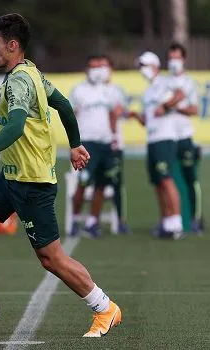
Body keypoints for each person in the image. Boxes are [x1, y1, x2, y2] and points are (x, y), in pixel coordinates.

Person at [0, 14, 122, 338]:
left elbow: (16, 125)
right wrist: (76, 144)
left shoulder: (21, 81)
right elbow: (64, 105)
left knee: (51, 258)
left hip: (33, 184)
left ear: (13, 45)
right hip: (13, 178)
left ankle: (104, 307)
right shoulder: (32, 73)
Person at [130, 51, 184, 239]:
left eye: (144, 65)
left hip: (165, 138)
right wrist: (136, 116)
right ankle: (166, 222)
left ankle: (176, 223)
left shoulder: (164, 82)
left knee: (166, 179)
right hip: (153, 140)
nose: (142, 70)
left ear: (154, 65)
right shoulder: (149, 90)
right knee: (158, 182)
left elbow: (179, 94)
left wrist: (166, 106)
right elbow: (148, 120)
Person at [69, 55, 120, 237]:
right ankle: (74, 219)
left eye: (99, 67)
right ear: (86, 69)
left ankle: (93, 221)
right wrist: (73, 142)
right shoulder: (78, 91)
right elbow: (70, 116)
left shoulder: (108, 91)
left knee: (102, 184)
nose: (96, 70)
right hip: (87, 142)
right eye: (93, 66)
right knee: (84, 182)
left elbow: (113, 114)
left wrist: (114, 137)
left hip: (105, 143)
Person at [166, 43, 203, 234]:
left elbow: (194, 109)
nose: (173, 62)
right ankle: (170, 220)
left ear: (184, 59)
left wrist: (175, 107)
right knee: (166, 179)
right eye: (170, 58)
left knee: (190, 178)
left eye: (177, 58)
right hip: (167, 137)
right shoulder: (163, 82)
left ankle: (196, 218)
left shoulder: (189, 82)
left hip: (184, 136)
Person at [101, 55, 130, 234]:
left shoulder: (116, 91)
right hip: (95, 144)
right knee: (97, 182)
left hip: (114, 144)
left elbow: (119, 111)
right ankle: (90, 221)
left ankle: (120, 220)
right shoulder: (87, 90)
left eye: (105, 66)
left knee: (117, 182)